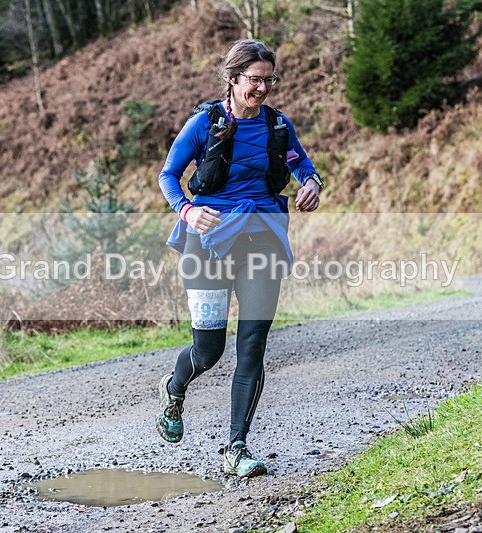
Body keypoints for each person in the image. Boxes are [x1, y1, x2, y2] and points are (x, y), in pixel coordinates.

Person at [155, 39, 323, 478]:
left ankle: (236, 446)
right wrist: (187, 209)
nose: (263, 88)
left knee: (252, 346)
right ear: (232, 80)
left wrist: (312, 183)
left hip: (263, 239)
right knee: (208, 351)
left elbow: (303, 165)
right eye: (255, 80)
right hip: (208, 244)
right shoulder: (204, 124)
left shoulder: (278, 126)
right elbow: (168, 175)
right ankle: (174, 388)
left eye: (270, 79)